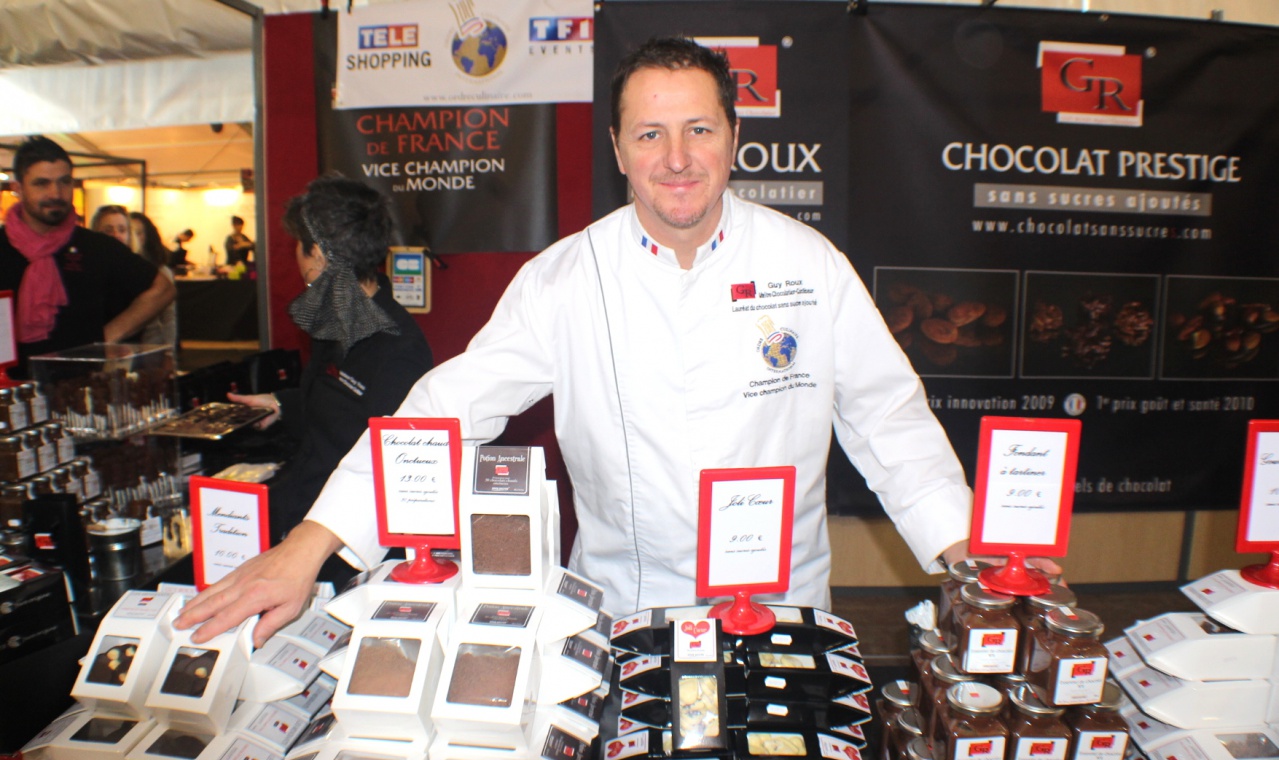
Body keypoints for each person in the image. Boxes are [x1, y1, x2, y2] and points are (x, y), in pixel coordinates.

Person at [178, 38, 1052, 647]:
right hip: (627, 612)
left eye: (699, 129)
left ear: (734, 137)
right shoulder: (566, 277)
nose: (676, 157)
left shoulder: (808, 265)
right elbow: (444, 408)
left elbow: (889, 420)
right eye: (649, 133)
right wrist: (311, 543)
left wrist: (968, 557)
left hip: (781, 607)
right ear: (618, 149)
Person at [223, 175, 434, 585]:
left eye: (299, 247)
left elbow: (392, 481)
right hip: (300, 512)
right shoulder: (334, 318)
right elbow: (332, 404)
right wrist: (282, 403)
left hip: (344, 549)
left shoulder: (398, 353)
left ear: (317, 256)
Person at [0, 136, 176, 368]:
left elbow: (162, 289)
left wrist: (106, 337)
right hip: (10, 384)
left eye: (64, 182)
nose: (56, 193)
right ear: (18, 189)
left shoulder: (95, 246)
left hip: (82, 382)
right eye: (42, 183)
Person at [130, 212, 178, 346]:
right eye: (131, 232)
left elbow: (168, 317)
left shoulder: (160, 271)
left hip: (152, 343)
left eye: (139, 233)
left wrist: (169, 349)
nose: (134, 238)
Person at [220, 215, 254, 279]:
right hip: (232, 267)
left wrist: (245, 244)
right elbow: (231, 250)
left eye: (241, 225)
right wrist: (239, 246)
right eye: (238, 225)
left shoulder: (244, 237)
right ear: (233, 226)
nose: (240, 227)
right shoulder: (230, 238)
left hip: (244, 267)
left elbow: (253, 246)